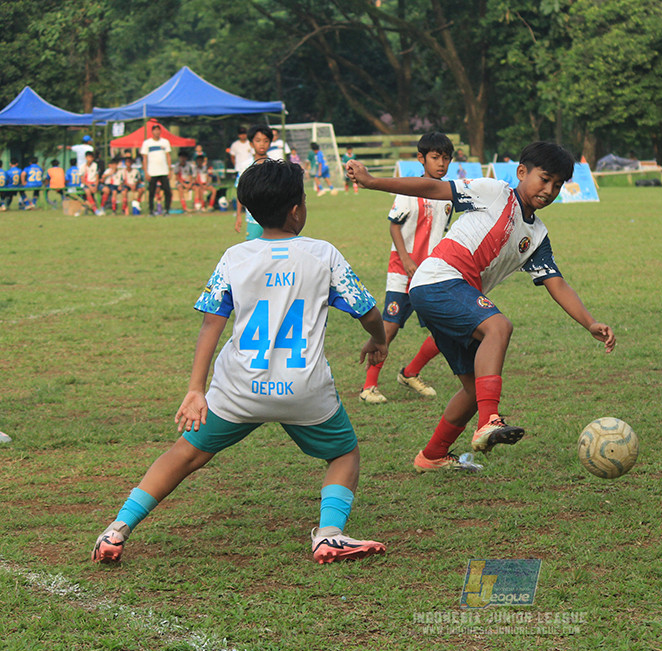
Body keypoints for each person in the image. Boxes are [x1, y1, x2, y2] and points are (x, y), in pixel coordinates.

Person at [91, 158, 389, 565]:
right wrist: (378, 339)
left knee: (185, 454)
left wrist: (195, 389)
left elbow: (211, 324)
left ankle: (117, 529)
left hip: (239, 386)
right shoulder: (323, 254)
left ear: (250, 211)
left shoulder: (235, 256)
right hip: (304, 389)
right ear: (296, 210)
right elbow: (366, 311)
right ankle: (329, 534)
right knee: (344, 454)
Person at [346, 141, 616, 472]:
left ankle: (432, 455)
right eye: (544, 179)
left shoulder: (537, 236)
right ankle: (489, 421)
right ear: (522, 172)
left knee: (474, 389)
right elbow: (433, 188)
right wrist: (372, 181)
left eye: (557, 185)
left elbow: (556, 282)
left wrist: (589, 322)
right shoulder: (495, 192)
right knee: (498, 327)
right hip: (438, 278)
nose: (549, 190)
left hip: (447, 291)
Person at [360, 132, 454, 405]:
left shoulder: (448, 196)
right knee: (388, 329)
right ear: (421, 159)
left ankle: (410, 373)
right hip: (403, 271)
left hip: (431, 273)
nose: (441, 163)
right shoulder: (409, 190)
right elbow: (394, 226)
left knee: (447, 329)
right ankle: (369, 387)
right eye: (435, 157)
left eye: (446, 158)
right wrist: (406, 259)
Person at [235, 124, 273, 239]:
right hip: (253, 218)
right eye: (258, 140)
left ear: (270, 143)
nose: (262, 144)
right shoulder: (245, 166)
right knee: (252, 246)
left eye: (266, 141)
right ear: (251, 143)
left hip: (274, 217)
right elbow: (240, 191)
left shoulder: (275, 166)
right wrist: (238, 215)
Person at [141, 124, 172, 216]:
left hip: (163, 171)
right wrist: (146, 172)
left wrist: (169, 170)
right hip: (152, 171)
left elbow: (168, 156)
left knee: (167, 191)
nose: (157, 132)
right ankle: (151, 210)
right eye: (155, 130)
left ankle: (167, 210)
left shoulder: (165, 142)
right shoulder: (147, 143)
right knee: (151, 192)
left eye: (158, 130)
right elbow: (145, 158)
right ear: (152, 132)